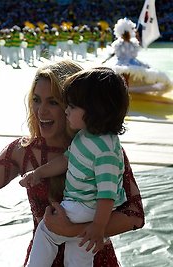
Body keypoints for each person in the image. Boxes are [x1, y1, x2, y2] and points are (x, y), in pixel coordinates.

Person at [0, 60, 144, 266]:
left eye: (53, 102)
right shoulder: (22, 151)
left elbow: (135, 215)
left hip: (93, 258)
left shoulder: (101, 148)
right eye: (36, 100)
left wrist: (71, 231)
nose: (41, 111)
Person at [20, 67, 129, 267]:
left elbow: (107, 193)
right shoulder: (87, 137)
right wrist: (38, 173)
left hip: (83, 206)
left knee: (46, 233)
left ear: (94, 110)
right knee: (79, 255)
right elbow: (65, 160)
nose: (66, 110)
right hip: (87, 211)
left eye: (71, 106)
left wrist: (98, 226)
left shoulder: (104, 148)